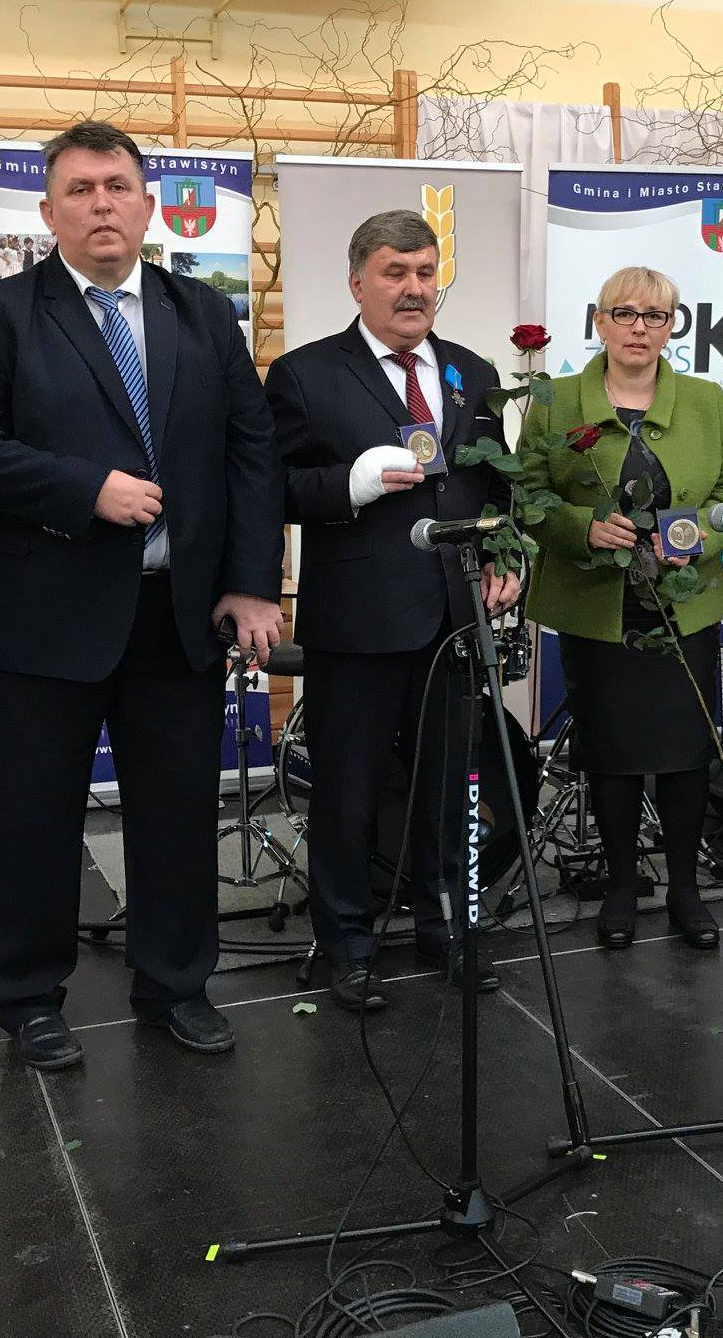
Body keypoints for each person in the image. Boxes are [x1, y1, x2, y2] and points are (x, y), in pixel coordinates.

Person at [0, 121, 282, 1068]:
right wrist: (85, 489)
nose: (101, 205)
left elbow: (251, 453)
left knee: (177, 813)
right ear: (48, 212)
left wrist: (253, 583)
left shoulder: (202, 313)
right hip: (36, 619)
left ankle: (175, 984)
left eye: (117, 186)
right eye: (80, 190)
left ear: (147, 204)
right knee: (31, 818)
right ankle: (27, 997)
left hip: (177, 615)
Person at [264, 210, 519, 1011]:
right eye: (395, 272)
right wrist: (349, 484)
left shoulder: (473, 371)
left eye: (425, 273)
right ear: (357, 282)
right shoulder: (305, 373)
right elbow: (272, 487)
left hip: (453, 620)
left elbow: (498, 485)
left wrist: (507, 556)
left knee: (450, 787)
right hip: (357, 623)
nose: (414, 289)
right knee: (347, 792)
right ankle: (347, 941)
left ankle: (447, 926)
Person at [518, 266, 723, 949]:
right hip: (597, 610)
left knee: (686, 755)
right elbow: (526, 496)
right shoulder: (557, 401)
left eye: (655, 316)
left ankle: (684, 890)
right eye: (624, 313)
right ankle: (620, 886)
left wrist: (696, 538)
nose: (639, 328)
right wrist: (582, 527)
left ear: (672, 326)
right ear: (599, 322)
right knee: (610, 755)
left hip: (685, 608)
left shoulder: (705, 400)